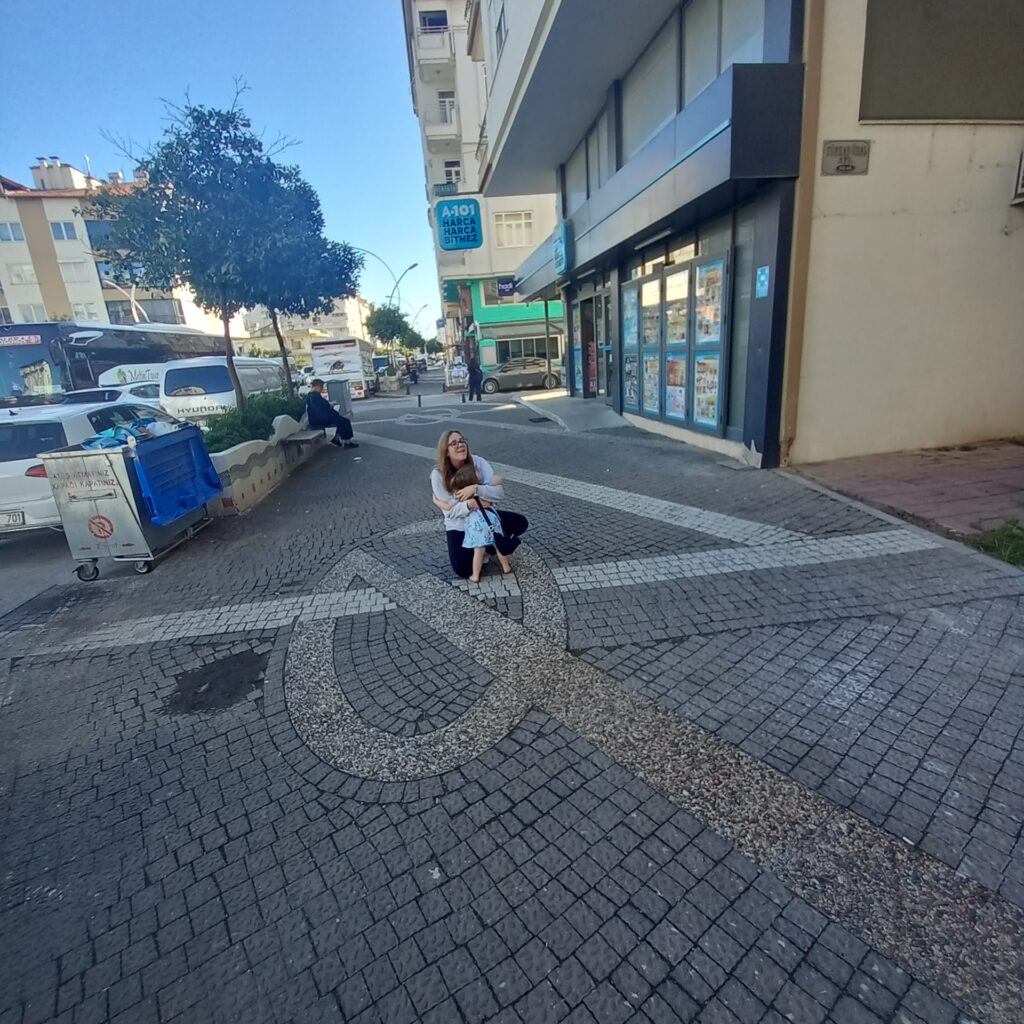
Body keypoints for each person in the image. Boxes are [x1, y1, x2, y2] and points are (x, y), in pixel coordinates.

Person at [430, 430, 528, 579]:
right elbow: (449, 512)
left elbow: (499, 493)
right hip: (460, 526)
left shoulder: (478, 462)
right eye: (454, 443)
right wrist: (471, 504)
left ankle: (489, 545)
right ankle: (486, 546)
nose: (460, 445)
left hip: (485, 516)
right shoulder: (438, 475)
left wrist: (476, 489)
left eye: (462, 441)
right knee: (463, 570)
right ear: (446, 451)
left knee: (520, 522)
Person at [449, 464, 511, 583]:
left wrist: (437, 500)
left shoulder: (463, 495)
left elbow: (451, 506)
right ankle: (506, 566)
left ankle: (475, 575)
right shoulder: (482, 490)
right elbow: (494, 486)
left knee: (478, 552)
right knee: (498, 545)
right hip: (492, 521)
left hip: (478, 526)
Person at [306, 379, 358, 449]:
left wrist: (329, 405)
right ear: (316, 387)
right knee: (344, 421)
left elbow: (322, 405)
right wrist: (329, 405)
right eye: (321, 387)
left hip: (320, 417)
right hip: (320, 419)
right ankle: (347, 442)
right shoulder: (313, 397)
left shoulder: (313, 395)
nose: (322, 389)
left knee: (340, 420)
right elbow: (320, 408)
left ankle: (336, 438)